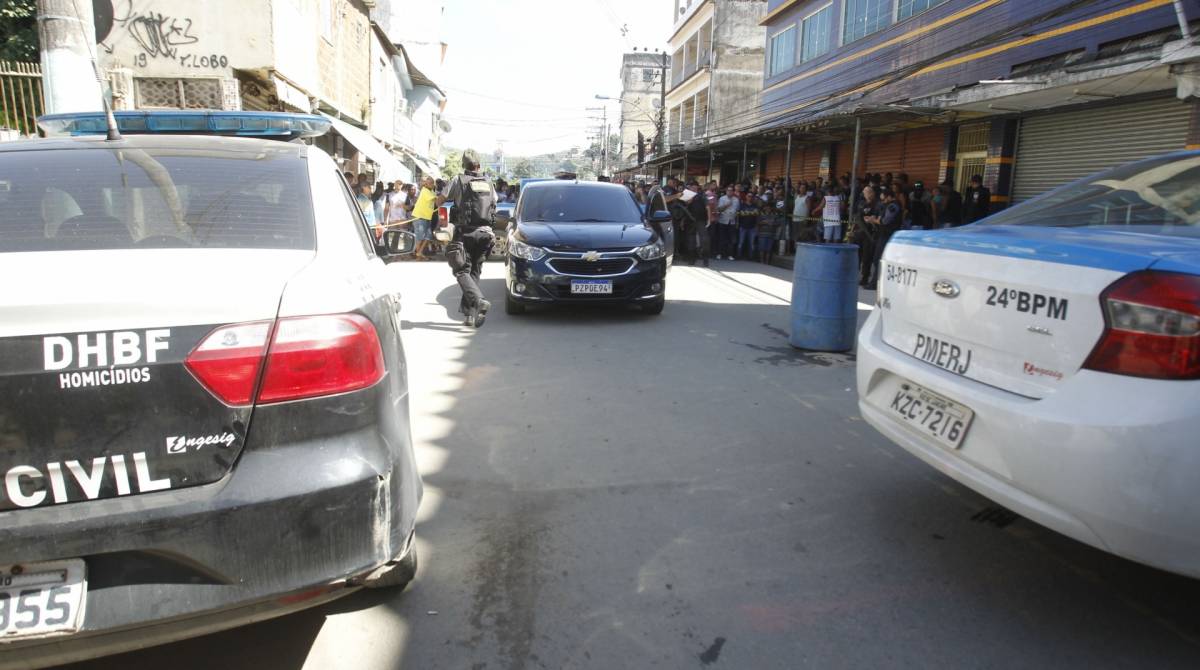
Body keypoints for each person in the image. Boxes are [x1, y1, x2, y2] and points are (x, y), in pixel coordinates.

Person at [438, 150, 496, 328]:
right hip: (486, 234)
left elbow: (440, 200)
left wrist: (436, 200)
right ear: (479, 165)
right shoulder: (489, 182)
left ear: (464, 165)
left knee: (461, 271)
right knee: (474, 272)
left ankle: (479, 301)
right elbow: (494, 203)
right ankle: (469, 315)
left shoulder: (458, 180)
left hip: (465, 233)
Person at [867, 188, 903, 290]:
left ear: (889, 197)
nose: (882, 201)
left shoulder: (893, 206)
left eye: (884, 199)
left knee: (878, 259)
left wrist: (873, 220)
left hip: (887, 235)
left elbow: (885, 221)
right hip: (884, 234)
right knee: (877, 259)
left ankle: (875, 283)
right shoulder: (889, 205)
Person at [682, 180, 710, 267]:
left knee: (704, 240)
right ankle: (691, 259)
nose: (693, 187)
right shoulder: (687, 195)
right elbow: (684, 206)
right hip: (690, 221)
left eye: (694, 186)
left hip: (701, 220)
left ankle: (706, 260)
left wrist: (709, 220)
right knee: (691, 241)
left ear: (697, 187)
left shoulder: (702, 195)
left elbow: (708, 207)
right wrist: (690, 198)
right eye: (691, 186)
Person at [411, 176, 438, 260]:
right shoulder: (425, 191)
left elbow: (436, 201)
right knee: (420, 237)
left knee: (428, 236)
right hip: (420, 217)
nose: (432, 185)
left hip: (427, 217)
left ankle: (419, 252)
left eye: (433, 183)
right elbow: (436, 200)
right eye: (430, 183)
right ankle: (417, 254)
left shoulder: (431, 192)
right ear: (426, 184)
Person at [716, 185, 739, 260]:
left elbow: (737, 211)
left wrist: (737, 222)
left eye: (731, 190)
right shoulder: (722, 198)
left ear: (733, 192)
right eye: (728, 190)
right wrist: (726, 205)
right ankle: (719, 253)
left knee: (731, 239)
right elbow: (719, 209)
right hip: (723, 221)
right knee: (721, 238)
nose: (730, 192)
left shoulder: (736, 200)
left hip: (732, 221)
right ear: (726, 191)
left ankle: (730, 255)